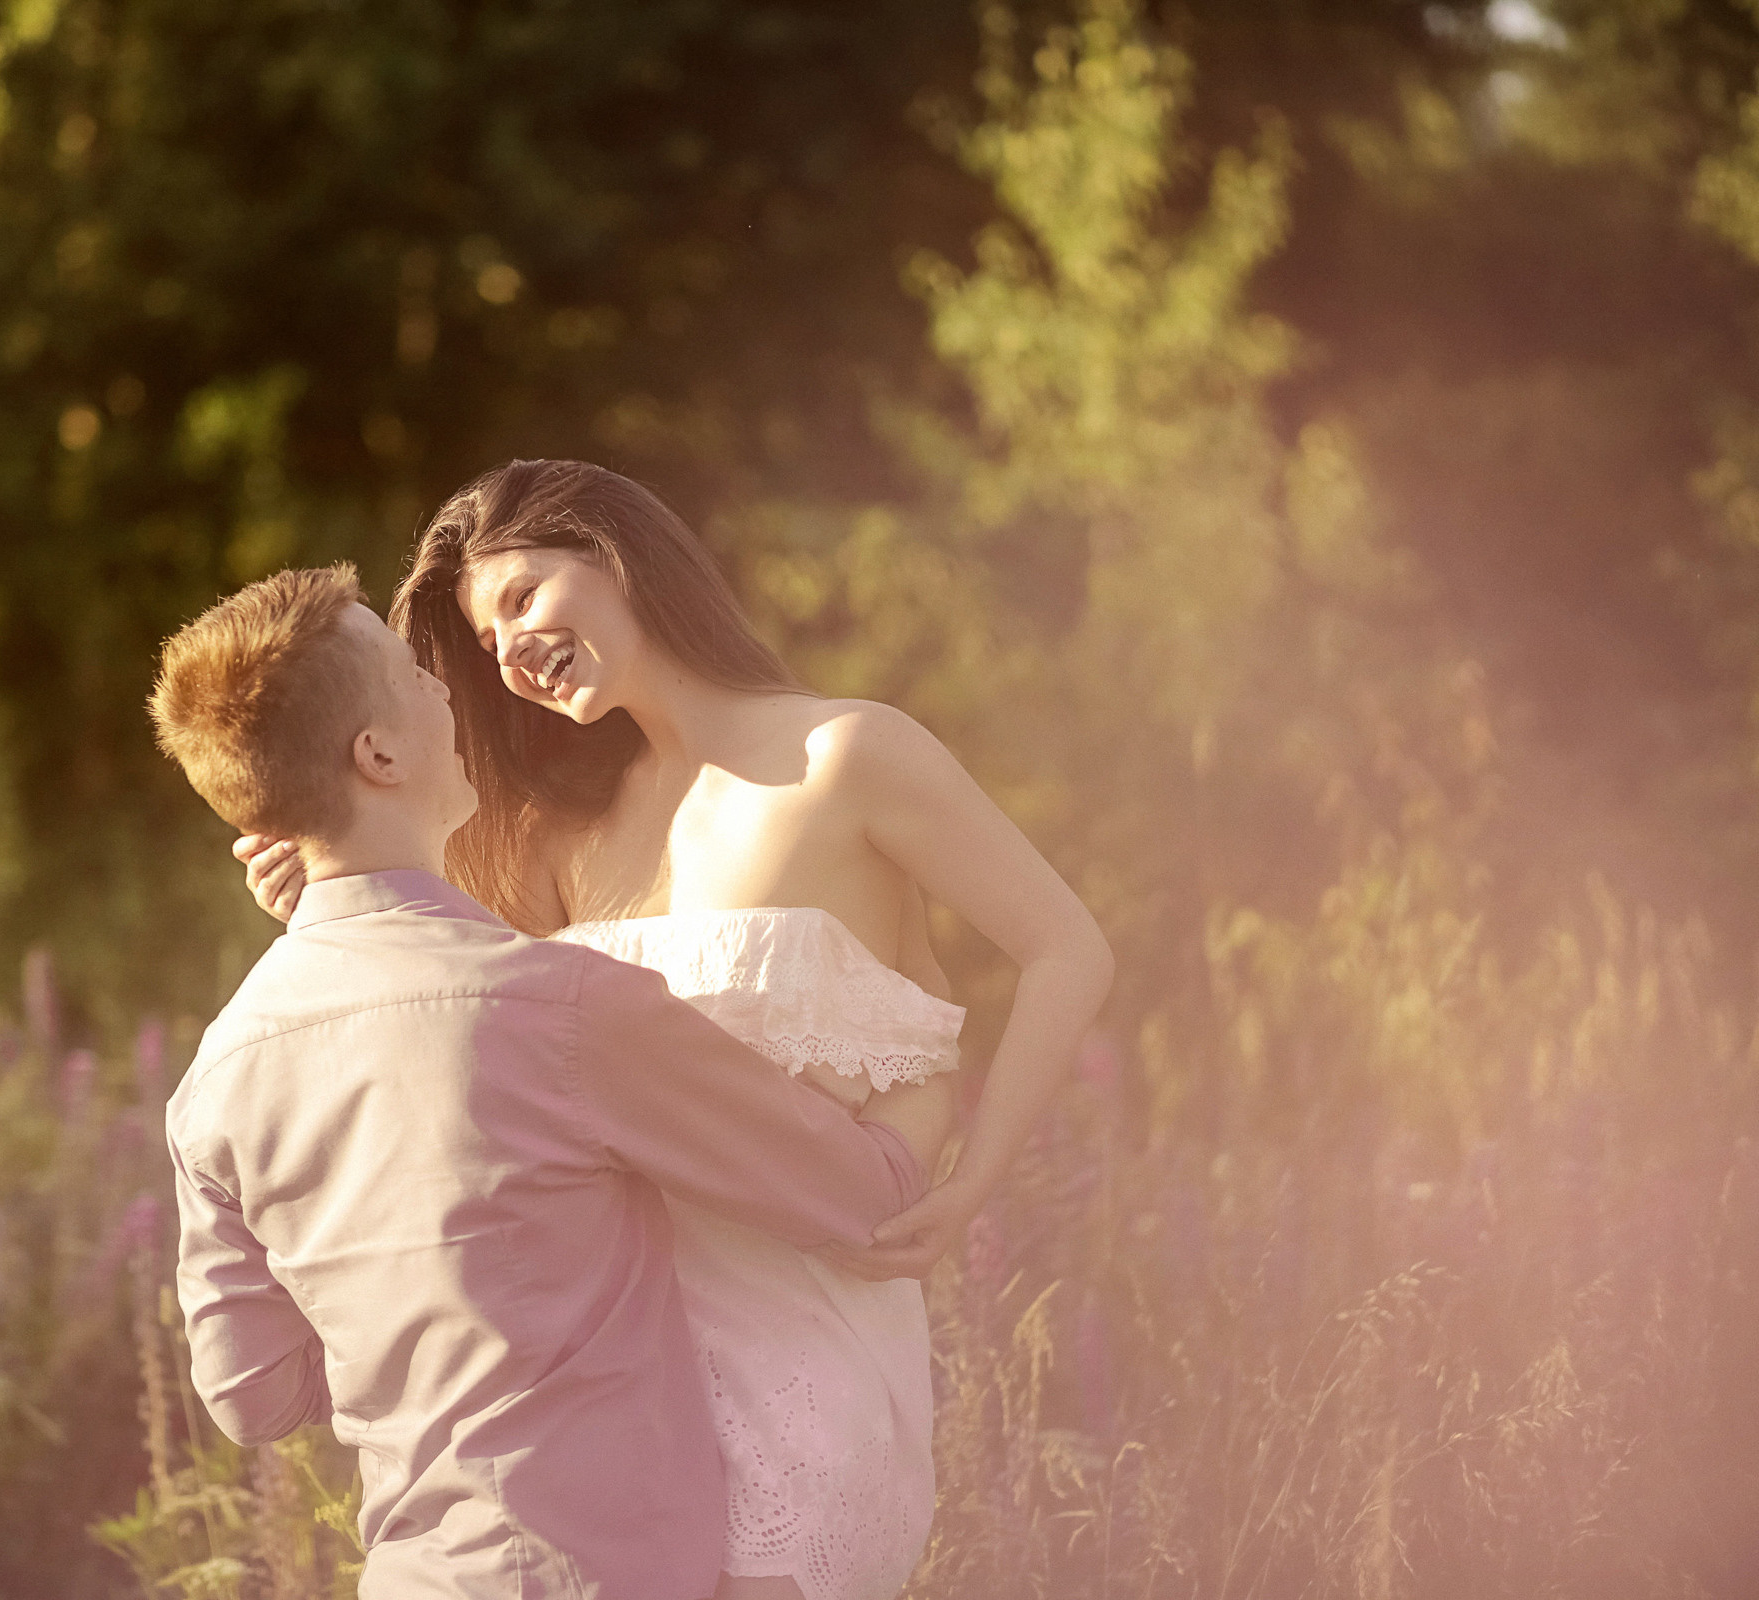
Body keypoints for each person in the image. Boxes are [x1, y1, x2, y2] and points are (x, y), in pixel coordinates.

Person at [233, 461, 1115, 1600]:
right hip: (611, 1374)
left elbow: (1064, 950)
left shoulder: (842, 756)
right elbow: (453, 1030)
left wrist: (972, 1181)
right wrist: (322, 890)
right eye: (484, 642)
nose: (508, 652)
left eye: (521, 599)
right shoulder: (557, 838)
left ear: (612, 554)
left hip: (803, 1324)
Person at [147, 562, 938, 1598]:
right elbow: (860, 1193)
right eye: (410, 673)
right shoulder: (561, 1007)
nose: (444, 685)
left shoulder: (219, 1076)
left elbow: (252, 1394)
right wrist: (922, 1005)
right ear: (376, 751)